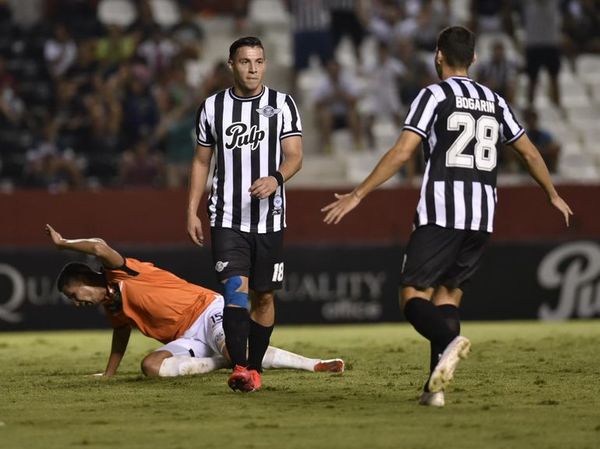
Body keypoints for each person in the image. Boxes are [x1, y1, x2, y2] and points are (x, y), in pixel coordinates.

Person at [322, 26, 572, 407]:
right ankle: (434, 390)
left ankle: (448, 341)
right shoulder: (495, 99)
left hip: (442, 211)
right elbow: (530, 153)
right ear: (473, 59)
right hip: (482, 215)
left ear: (438, 55)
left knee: (411, 295)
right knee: (447, 298)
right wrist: (552, 194)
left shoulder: (433, 95)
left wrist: (359, 193)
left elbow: (403, 151)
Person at [45, 224, 343, 378]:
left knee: (238, 351)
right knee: (151, 366)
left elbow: (98, 246)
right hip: (186, 337)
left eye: (74, 295)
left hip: (205, 310)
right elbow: (121, 333)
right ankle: (221, 361)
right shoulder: (112, 306)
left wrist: (64, 244)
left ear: (85, 279)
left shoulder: (122, 273)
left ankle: (314, 364)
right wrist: (108, 374)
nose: (76, 302)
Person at [187, 37, 303, 393]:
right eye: (245, 62)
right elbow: (201, 161)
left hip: (270, 218)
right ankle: (240, 368)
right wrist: (191, 209)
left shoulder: (282, 104)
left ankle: (255, 368)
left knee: (264, 296)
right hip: (226, 217)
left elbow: (295, 156)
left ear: (265, 64)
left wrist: (275, 178)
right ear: (231, 65)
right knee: (236, 291)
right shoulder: (212, 107)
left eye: (258, 61)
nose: (252, 68)